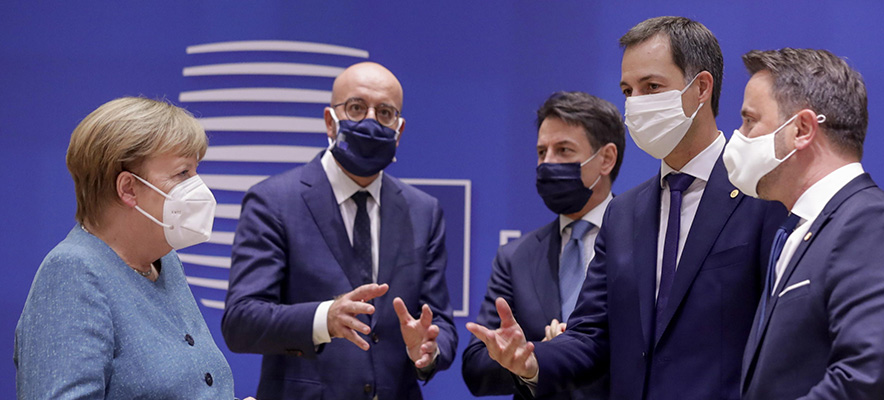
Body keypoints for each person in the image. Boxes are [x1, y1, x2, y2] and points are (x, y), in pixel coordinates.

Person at [467, 16, 784, 399]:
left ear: (701, 87)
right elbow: (591, 335)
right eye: (628, 90)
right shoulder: (625, 213)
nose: (635, 104)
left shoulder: (764, 194)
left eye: (651, 86)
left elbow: (784, 338)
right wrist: (532, 361)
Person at [222, 62, 457, 400]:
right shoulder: (273, 201)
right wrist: (323, 319)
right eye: (357, 108)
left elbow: (441, 324)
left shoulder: (423, 211)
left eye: (385, 113)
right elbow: (241, 322)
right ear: (330, 121)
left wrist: (429, 350)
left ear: (399, 130)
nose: (371, 121)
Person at [728, 48, 884, 400]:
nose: (739, 135)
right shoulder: (798, 230)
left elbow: (863, 381)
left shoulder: (873, 224)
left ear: (802, 129)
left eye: (750, 120)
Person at [14, 97, 239, 399]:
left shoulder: (164, 262)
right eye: (182, 173)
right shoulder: (72, 273)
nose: (198, 188)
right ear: (128, 189)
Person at [462, 91, 623, 399]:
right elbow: (476, 369)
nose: (547, 163)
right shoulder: (516, 256)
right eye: (541, 152)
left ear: (606, 158)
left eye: (563, 150)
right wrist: (532, 356)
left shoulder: (643, 239)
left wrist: (573, 349)